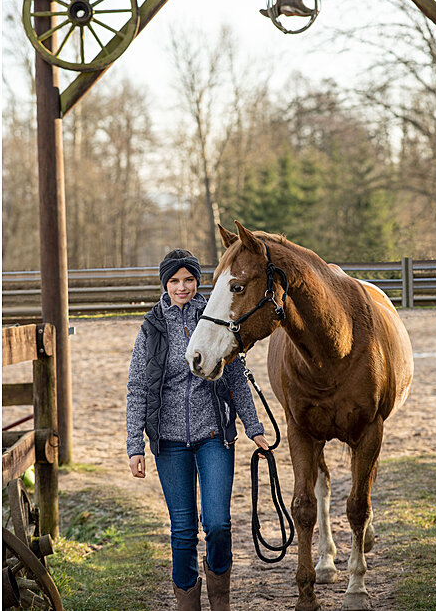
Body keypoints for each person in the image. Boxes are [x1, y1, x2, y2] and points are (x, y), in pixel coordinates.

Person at [126, 248, 270, 611]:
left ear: (198, 281)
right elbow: (137, 387)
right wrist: (134, 447)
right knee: (183, 533)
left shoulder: (217, 316)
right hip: (169, 443)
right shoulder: (152, 327)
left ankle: (220, 603)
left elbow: (236, 376)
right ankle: (188, 605)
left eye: (188, 279)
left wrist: (254, 428)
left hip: (213, 437)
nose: (182, 287)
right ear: (165, 284)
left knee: (219, 523)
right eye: (174, 281)